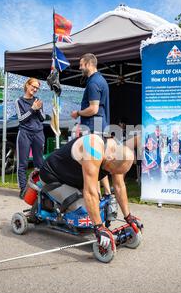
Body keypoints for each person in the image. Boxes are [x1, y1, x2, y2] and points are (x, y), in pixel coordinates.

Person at [39, 134, 143, 251]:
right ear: (111, 159)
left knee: (96, 209)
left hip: (73, 179)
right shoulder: (93, 150)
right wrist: (99, 228)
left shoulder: (117, 152)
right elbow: (90, 191)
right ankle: (55, 208)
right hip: (54, 177)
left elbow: (119, 186)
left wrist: (128, 216)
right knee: (84, 212)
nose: (110, 174)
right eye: (111, 171)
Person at [71, 53, 111, 196]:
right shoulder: (101, 80)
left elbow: (93, 109)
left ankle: (96, 197)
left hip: (93, 128)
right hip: (100, 126)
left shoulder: (93, 83)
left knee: (92, 167)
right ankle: (107, 194)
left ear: (88, 64)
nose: (80, 67)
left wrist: (78, 113)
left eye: (81, 64)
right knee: (99, 164)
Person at [16, 78, 46, 199]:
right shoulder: (19, 101)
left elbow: (43, 118)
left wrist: (37, 109)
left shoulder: (38, 100)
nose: (35, 89)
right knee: (22, 163)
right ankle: (23, 190)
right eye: (33, 86)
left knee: (39, 163)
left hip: (38, 133)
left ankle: (41, 189)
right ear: (27, 85)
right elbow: (21, 119)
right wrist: (32, 109)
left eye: (37, 88)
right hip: (24, 133)